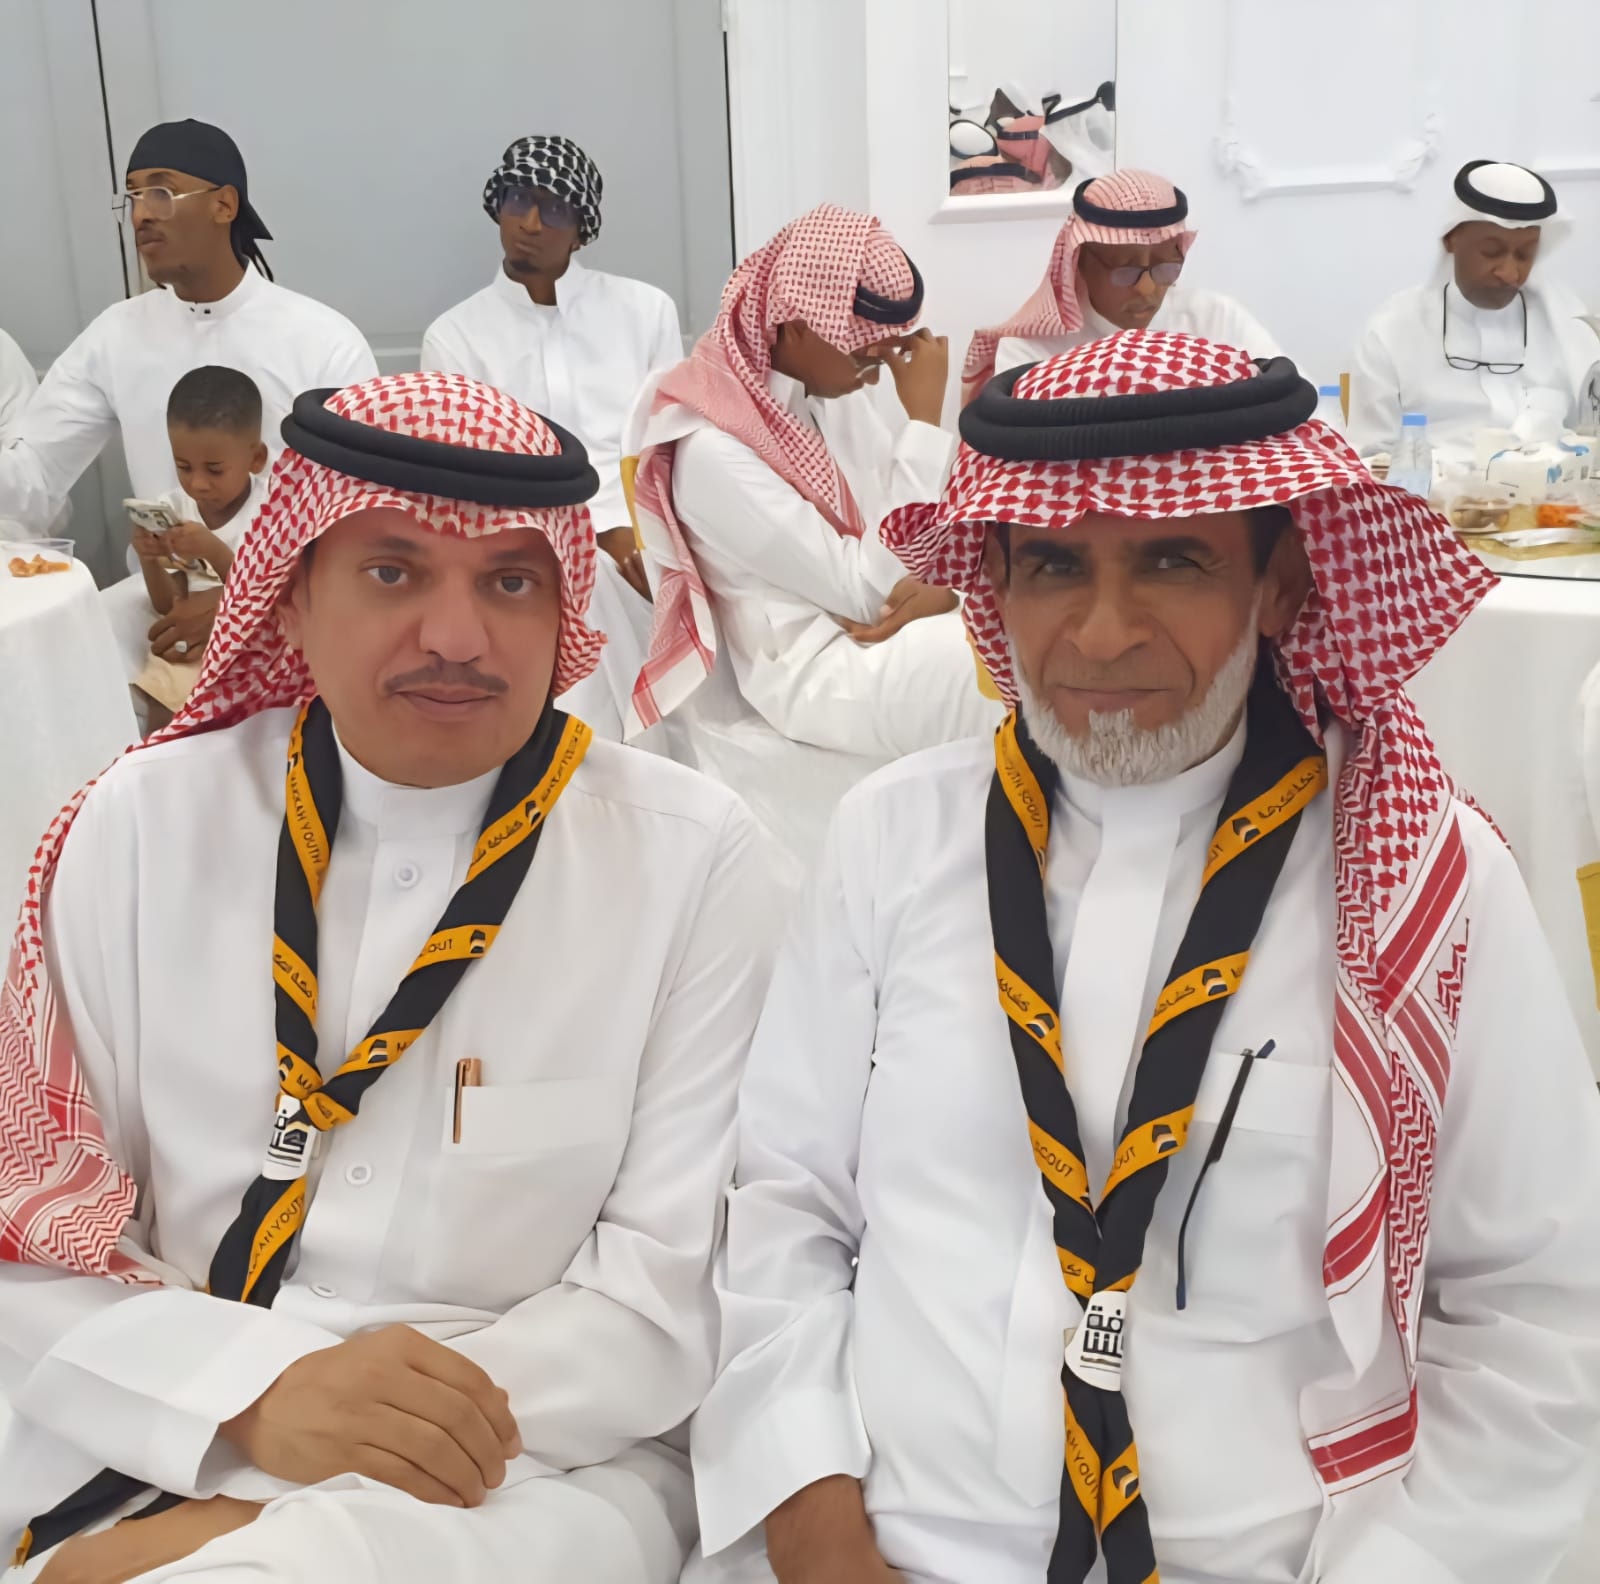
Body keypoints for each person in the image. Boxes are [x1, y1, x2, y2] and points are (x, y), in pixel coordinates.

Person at [687, 333, 1600, 1584]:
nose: (1103, 634)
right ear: (993, 582)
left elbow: (1534, 1317)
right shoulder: (887, 837)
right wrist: (807, 1511)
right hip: (876, 1546)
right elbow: (785, 1206)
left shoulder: (1429, 886)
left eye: (1173, 560)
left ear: (1281, 586)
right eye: (1054, 565)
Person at [0, 372, 775, 1584]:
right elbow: (40, 1229)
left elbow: (664, 1294)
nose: (457, 637)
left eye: (510, 583)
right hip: (150, 1409)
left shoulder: (692, 858)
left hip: (530, 1473)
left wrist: (292, 1505)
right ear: (292, 596)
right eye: (393, 572)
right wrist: (251, 1399)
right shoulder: (141, 824)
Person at [626, 203, 1002, 886]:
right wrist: (924, 421)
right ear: (796, 326)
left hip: (879, 633)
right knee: (990, 679)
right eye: (865, 351)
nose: (880, 369)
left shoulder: (828, 392)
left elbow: (910, 547)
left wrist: (940, 591)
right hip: (814, 670)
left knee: (1020, 637)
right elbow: (866, 587)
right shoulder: (713, 452)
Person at [422, 135, 683, 746]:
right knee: (584, 582)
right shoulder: (456, 337)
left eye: (554, 209)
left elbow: (672, 446)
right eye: (518, 201)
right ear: (498, 207)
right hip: (524, 537)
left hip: (650, 529)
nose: (531, 224)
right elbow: (472, 482)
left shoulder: (646, 311)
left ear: (581, 230)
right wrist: (591, 537)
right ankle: (598, 766)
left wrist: (647, 533)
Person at [0, 119, 377, 542]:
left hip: (289, 582)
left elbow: (360, 507)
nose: (141, 215)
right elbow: (34, 481)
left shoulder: (324, 342)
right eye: (133, 197)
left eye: (161, 193)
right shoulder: (115, 335)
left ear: (225, 205)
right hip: (156, 582)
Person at [1348, 159, 1597, 463]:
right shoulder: (1392, 331)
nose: (1509, 273)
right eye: (1491, 252)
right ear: (1451, 239)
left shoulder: (1568, 324)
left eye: (1524, 255)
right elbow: (1368, 457)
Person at [963, 170, 1280, 401]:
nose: (1147, 289)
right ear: (1081, 263)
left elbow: (1292, 403)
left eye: (1165, 268)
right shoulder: (1029, 352)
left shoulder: (1216, 321)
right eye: (1126, 271)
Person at [102, 364, 270, 727]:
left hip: (253, 636)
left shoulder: (272, 510)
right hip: (190, 644)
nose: (198, 484)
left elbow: (263, 592)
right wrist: (149, 559)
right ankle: (158, 754)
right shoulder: (175, 509)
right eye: (183, 466)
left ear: (255, 459)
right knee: (164, 687)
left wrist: (212, 549)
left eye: (214, 469)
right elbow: (168, 604)